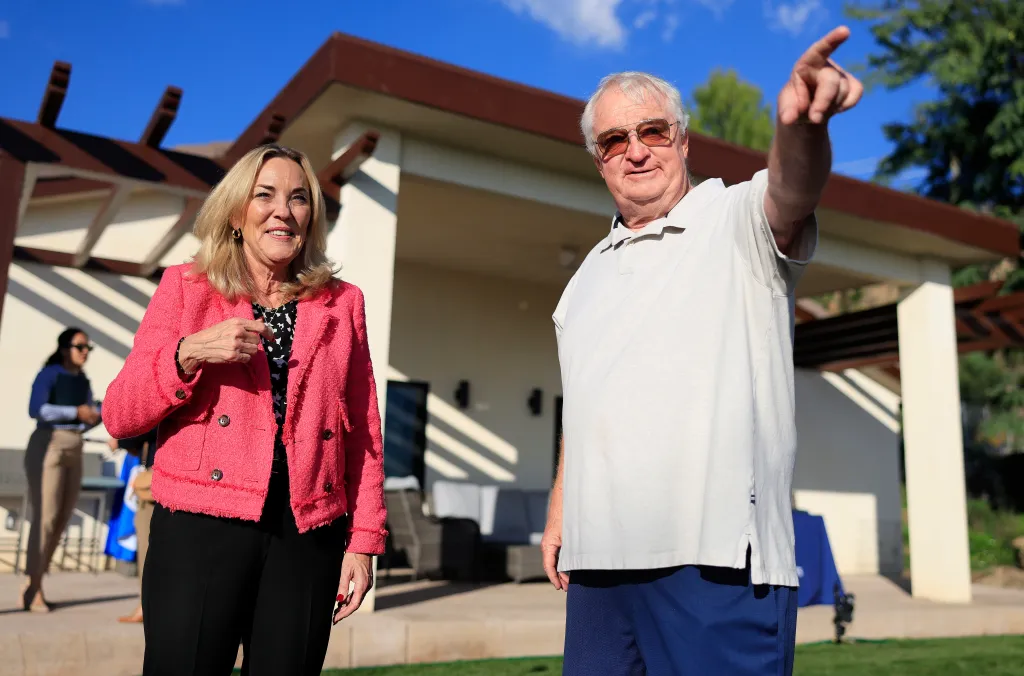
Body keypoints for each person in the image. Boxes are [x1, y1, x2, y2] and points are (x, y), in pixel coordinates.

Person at [542, 26, 864, 675]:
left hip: (717, 564)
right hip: (599, 571)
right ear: (598, 160)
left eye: (653, 131)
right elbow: (585, 404)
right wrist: (558, 514)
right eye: (614, 140)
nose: (636, 151)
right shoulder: (584, 282)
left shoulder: (736, 219)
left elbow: (793, 190)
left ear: (683, 140)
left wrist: (800, 126)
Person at [102, 144, 388, 676]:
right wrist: (187, 353)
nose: (283, 210)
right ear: (236, 212)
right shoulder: (187, 289)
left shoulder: (342, 302)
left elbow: (363, 432)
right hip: (199, 525)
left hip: (306, 533)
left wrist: (363, 541)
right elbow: (119, 414)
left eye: (299, 198)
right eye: (265, 195)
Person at [22, 327, 102, 612]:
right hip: (49, 444)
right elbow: (37, 410)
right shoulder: (49, 374)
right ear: (65, 347)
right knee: (46, 517)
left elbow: (87, 414)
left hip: (75, 445)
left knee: (62, 518)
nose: (85, 352)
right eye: (80, 346)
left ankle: (36, 581)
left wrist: (95, 415)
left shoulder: (84, 380)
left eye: (88, 348)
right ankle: (35, 587)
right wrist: (74, 412)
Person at [107, 427, 159, 624]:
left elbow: (149, 424)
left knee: (148, 548)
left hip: (158, 478)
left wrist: (121, 442)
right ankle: (147, 605)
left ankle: (146, 606)